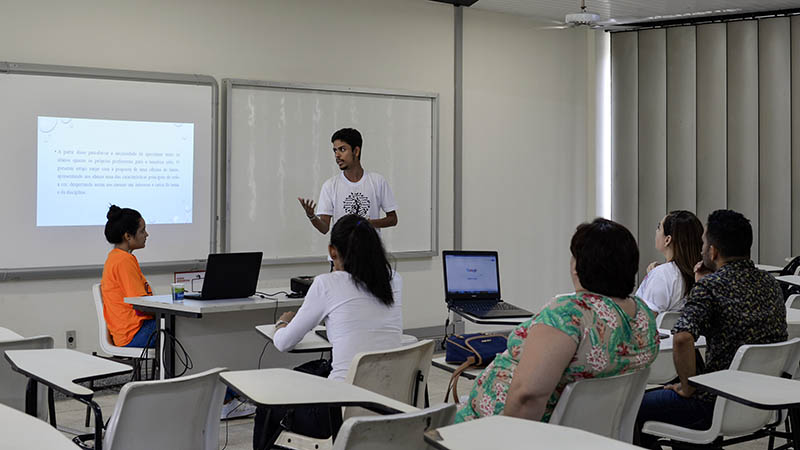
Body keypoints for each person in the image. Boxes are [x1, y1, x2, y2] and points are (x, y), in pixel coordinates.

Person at [455, 218, 659, 423]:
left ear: (578, 266)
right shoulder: (643, 315)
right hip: (591, 434)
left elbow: (527, 397)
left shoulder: (568, 314)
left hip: (505, 431)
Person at [635, 209, 788, 448]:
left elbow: (683, 339)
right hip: (762, 402)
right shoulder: (771, 284)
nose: (701, 247)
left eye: (704, 242)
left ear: (713, 251)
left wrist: (686, 387)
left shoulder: (711, 288)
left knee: (632, 408)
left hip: (715, 401)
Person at [253, 214, 403, 448]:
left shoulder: (327, 284)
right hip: (391, 407)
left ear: (333, 251)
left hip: (338, 415)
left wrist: (282, 323)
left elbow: (284, 343)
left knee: (268, 402)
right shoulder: (394, 281)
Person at [298, 128, 398, 236]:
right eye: (335, 150)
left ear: (356, 151)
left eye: (342, 149)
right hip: (341, 252)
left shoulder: (378, 182)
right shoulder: (330, 186)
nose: (337, 155)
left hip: (370, 251)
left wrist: (368, 223)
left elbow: (393, 219)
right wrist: (311, 216)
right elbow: (324, 228)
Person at [101, 205, 156, 348]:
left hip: (128, 333)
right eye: (142, 231)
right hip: (135, 333)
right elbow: (140, 304)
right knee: (183, 327)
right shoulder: (124, 261)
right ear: (128, 236)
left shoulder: (115, 257)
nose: (146, 235)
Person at [635, 210, 704, 314]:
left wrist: (656, 276)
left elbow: (646, 320)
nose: (656, 231)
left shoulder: (662, 275)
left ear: (667, 240)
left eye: (659, 227)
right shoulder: (703, 276)